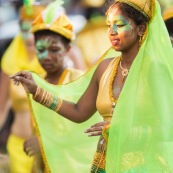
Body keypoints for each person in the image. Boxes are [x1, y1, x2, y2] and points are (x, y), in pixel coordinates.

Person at [10, 0, 173, 172]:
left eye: (120, 24)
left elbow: (167, 128)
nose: (112, 32)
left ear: (141, 28)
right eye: (109, 25)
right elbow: (79, 112)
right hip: (105, 164)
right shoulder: (105, 67)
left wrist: (119, 130)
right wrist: (38, 90)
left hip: (144, 166)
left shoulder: (154, 70)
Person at [22, 2, 101, 172]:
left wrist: (45, 142)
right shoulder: (37, 83)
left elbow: (88, 131)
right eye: (41, 49)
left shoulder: (79, 81)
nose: (47, 56)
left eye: (54, 49)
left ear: (67, 49)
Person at [0, 3, 46, 173]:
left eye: (32, 29)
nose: (28, 36)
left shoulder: (54, 59)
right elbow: (1, 109)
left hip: (46, 146)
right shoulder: (10, 60)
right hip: (17, 146)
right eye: (23, 28)